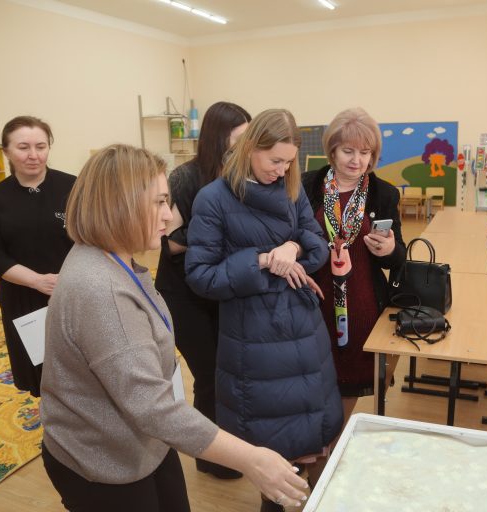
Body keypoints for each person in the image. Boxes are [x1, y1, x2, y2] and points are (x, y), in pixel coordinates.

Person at [40, 144, 308, 512]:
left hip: (142, 443)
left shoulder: (109, 258)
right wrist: (251, 459)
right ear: (119, 206)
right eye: (159, 203)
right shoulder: (102, 292)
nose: (169, 216)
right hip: (104, 463)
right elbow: (153, 407)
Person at [185, 109, 343, 511]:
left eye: (289, 162)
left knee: (312, 436)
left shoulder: (291, 188)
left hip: (305, 331)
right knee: (273, 449)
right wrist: (261, 260)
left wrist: (292, 247)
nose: (282, 170)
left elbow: (317, 243)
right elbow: (201, 276)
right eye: (275, 160)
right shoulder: (214, 198)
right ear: (250, 148)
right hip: (254, 339)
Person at [155, 101, 251, 480]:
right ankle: (210, 457)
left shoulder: (240, 174)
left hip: (220, 289)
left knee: (227, 374)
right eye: (240, 137)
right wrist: (216, 230)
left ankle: (224, 447)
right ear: (218, 136)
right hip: (184, 295)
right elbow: (168, 243)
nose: (247, 145)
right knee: (209, 375)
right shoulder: (185, 178)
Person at [301, 107, 407, 426]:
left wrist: (389, 249)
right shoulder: (306, 186)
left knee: (346, 389)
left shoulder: (383, 194)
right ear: (332, 149)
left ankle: (332, 443)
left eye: (365, 152)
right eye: (348, 151)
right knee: (311, 383)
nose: (356, 161)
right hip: (312, 304)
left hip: (361, 307)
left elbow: (398, 258)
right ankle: (319, 443)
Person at [0, 115, 76, 398]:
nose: (34, 155)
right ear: (6, 151)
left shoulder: (72, 186)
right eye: (23, 147)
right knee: (41, 373)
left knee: (80, 368)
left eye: (41, 146)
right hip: (22, 296)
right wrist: (37, 281)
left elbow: (91, 238)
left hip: (72, 291)